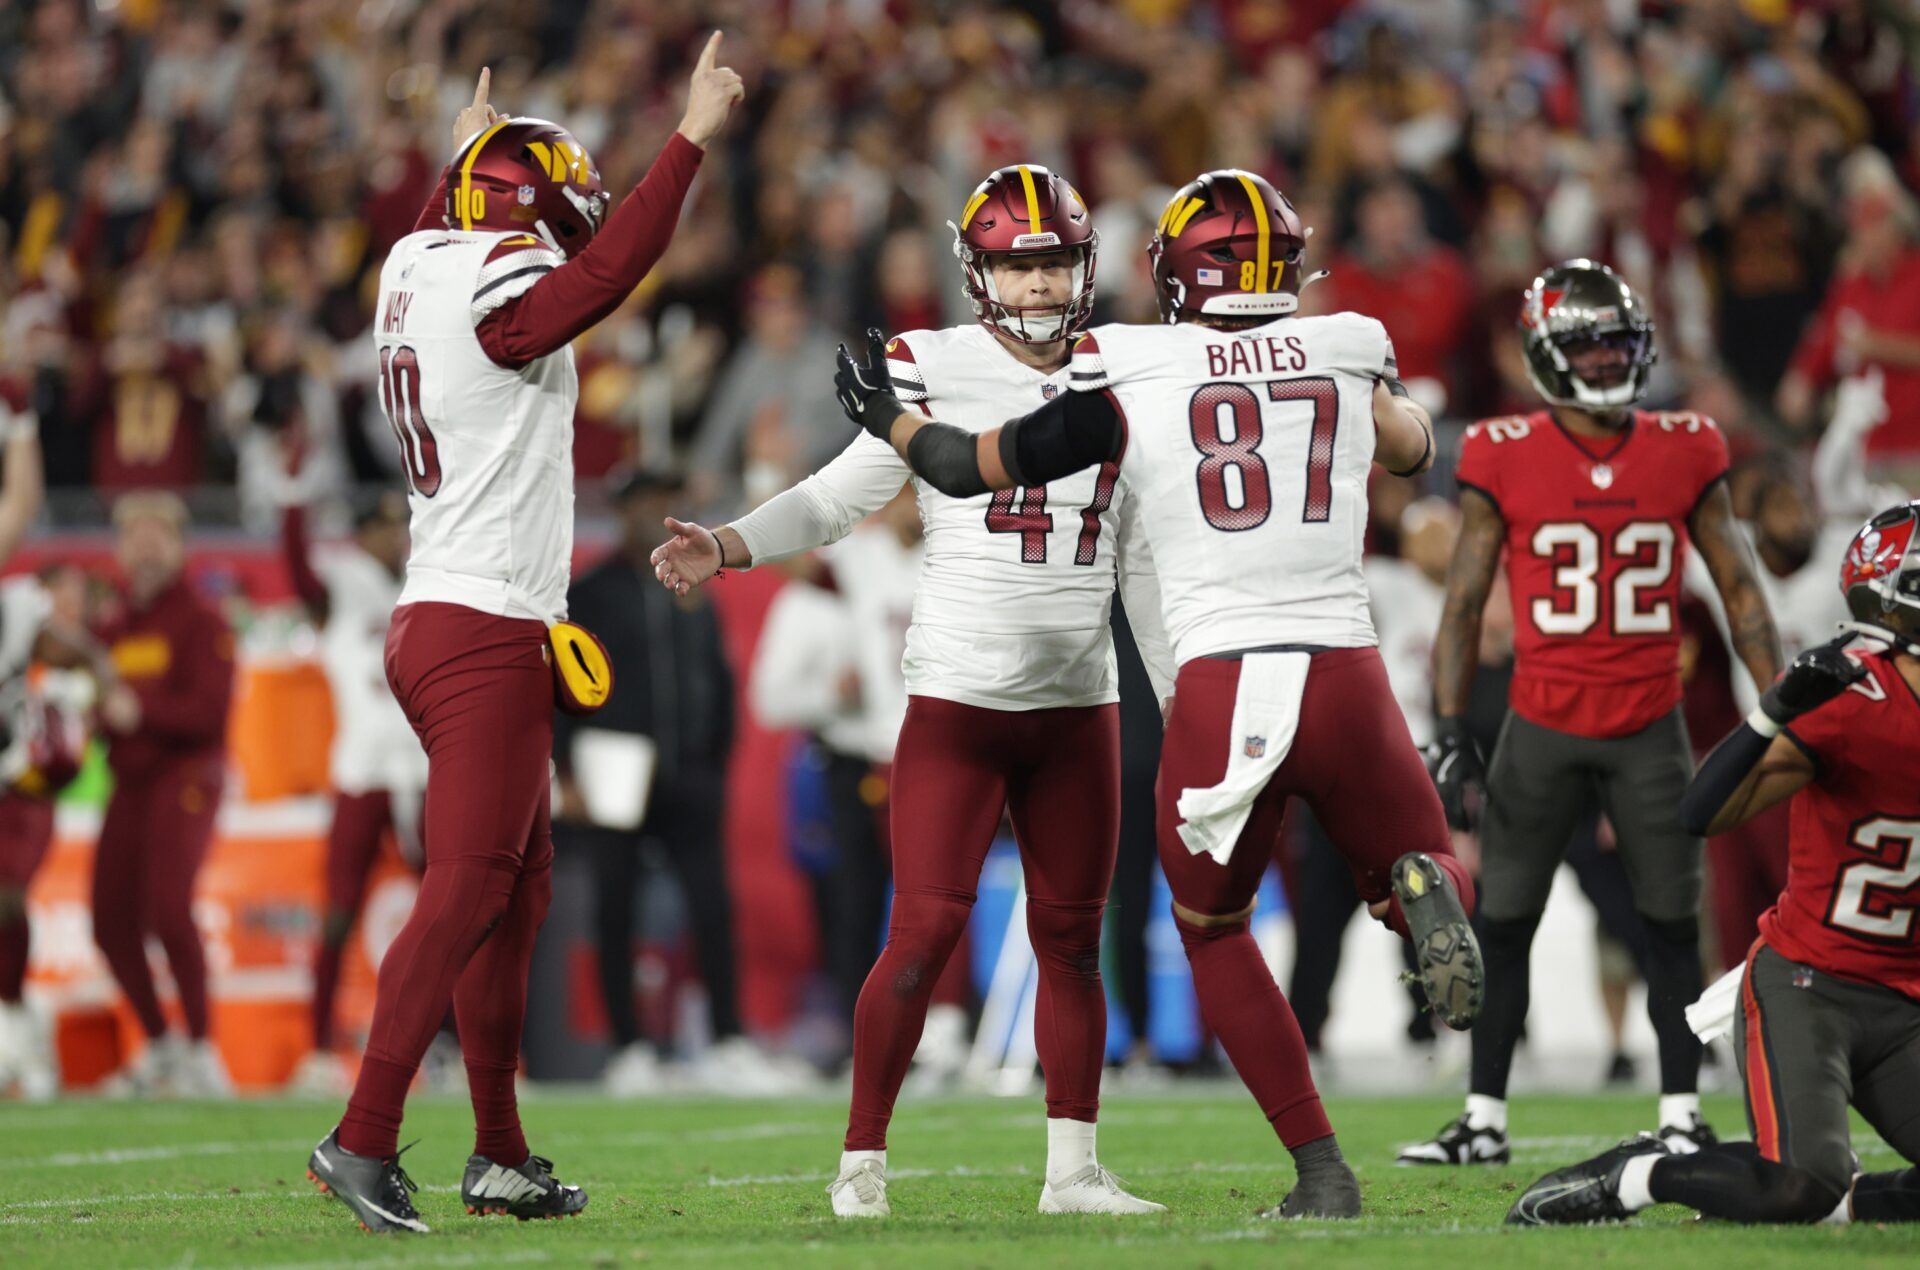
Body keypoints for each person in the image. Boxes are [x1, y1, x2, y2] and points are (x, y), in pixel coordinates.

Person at [826, 167, 1482, 1219]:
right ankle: (1413, 883)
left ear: (1176, 270)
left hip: (1226, 678)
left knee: (1214, 928)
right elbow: (1414, 450)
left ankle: (1322, 1169)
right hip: (1348, 669)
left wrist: (892, 426)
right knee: (1432, 860)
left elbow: (974, 465)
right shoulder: (1351, 339)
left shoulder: (1127, 362)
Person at [651, 165, 1171, 1218]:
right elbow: (844, 494)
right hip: (960, 702)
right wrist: (732, 541)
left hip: (1080, 701)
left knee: (1071, 940)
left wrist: (1178, 691)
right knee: (923, 933)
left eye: (1054, 262)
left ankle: (1072, 1171)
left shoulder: (1127, 366)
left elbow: (1149, 556)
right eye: (1018, 266)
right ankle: (860, 1167)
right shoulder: (930, 362)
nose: (1037, 285)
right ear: (978, 274)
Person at [305, 43, 742, 1234]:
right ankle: (363, 1134)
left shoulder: (412, 255)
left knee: (516, 893)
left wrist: (467, 153)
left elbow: (477, 230)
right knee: (465, 890)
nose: (568, 231)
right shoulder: (497, 284)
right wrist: (689, 138)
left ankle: (499, 1152)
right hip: (482, 624)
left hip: (463, 612)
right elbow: (599, 278)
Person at [1402, 260, 1783, 1165]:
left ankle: (1684, 1110)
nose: (1612, 363)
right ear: (1544, 355)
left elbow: (1741, 591)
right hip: (1540, 720)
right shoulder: (1501, 449)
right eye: (1591, 346)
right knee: (1504, 919)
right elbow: (1464, 597)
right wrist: (1452, 725)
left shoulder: (1688, 445)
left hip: (1650, 725)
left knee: (1666, 922)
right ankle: (1484, 1118)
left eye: (1621, 344)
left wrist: (1782, 709)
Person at [1510, 501, 1920, 1226]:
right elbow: (1700, 813)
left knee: (1820, 1192)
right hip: (1811, 984)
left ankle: (1851, 1206)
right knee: (1797, 1184)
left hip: (1907, 1000)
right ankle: (1637, 1176)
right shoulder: (1855, 701)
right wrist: (1773, 712)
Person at [552, 469, 780, 1096]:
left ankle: (729, 1040)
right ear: (621, 512)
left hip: (689, 769)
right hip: (615, 763)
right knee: (616, 904)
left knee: (711, 906)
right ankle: (628, 1048)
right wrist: (566, 768)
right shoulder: (593, 591)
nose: (654, 514)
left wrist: (719, 753)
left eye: (664, 503)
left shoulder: (692, 585)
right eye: (643, 504)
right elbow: (564, 683)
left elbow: (717, 673)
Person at [279, 487, 425, 1096]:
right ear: (361, 533)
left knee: (458, 909)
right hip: (363, 770)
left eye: (401, 524)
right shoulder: (343, 584)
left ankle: (451, 1049)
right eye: (383, 525)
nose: (395, 535)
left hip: (424, 769)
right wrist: (292, 495)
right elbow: (299, 574)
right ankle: (316, 1049)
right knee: (338, 911)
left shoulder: (429, 578)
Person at [91, 491, 236, 1097]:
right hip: (129, 779)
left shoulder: (203, 621)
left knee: (168, 908)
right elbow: (103, 715)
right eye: (135, 536)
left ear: (180, 548)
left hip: (185, 776)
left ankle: (202, 1049)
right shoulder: (111, 627)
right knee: (108, 920)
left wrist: (134, 709)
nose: (145, 549)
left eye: (157, 536)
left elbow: (207, 715)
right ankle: (159, 1044)